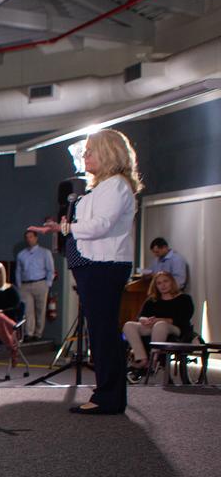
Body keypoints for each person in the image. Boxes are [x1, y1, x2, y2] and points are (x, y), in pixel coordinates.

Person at [29, 129, 140, 414]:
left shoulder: (115, 185)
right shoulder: (103, 186)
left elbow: (100, 225)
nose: (85, 156)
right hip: (95, 265)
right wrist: (59, 227)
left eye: (91, 151)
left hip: (104, 265)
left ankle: (108, 398)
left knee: (103, 333)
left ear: (109, 153)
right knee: (101, 332)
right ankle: (107, 394)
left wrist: (66, 228)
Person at [123, 271, 194, 374]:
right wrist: (144, 320)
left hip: (176, 328)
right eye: (159, 283)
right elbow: (141, 316)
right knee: (129, 325)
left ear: (172, 282)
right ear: (155, 286)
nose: (163, 285)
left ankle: (154, 360)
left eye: (165, 281)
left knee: (160, 325)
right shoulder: (152, 300)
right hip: (153, 326)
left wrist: (159, 320)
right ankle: (142, 359)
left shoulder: (184, 299)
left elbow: (182, 318)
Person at [14, 230, 55, 341]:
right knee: (27, 310)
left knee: (40, 309)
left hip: (40, 283)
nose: (29, 239)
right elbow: (18, 270)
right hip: (25, 285)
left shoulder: (45, 253)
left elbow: (50, 269)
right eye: (27, 237)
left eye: (31, 237)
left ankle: (38, 333)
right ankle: (29, 333)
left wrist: (48, 283)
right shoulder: (21, 254)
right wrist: (19, 285)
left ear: (36, 238)